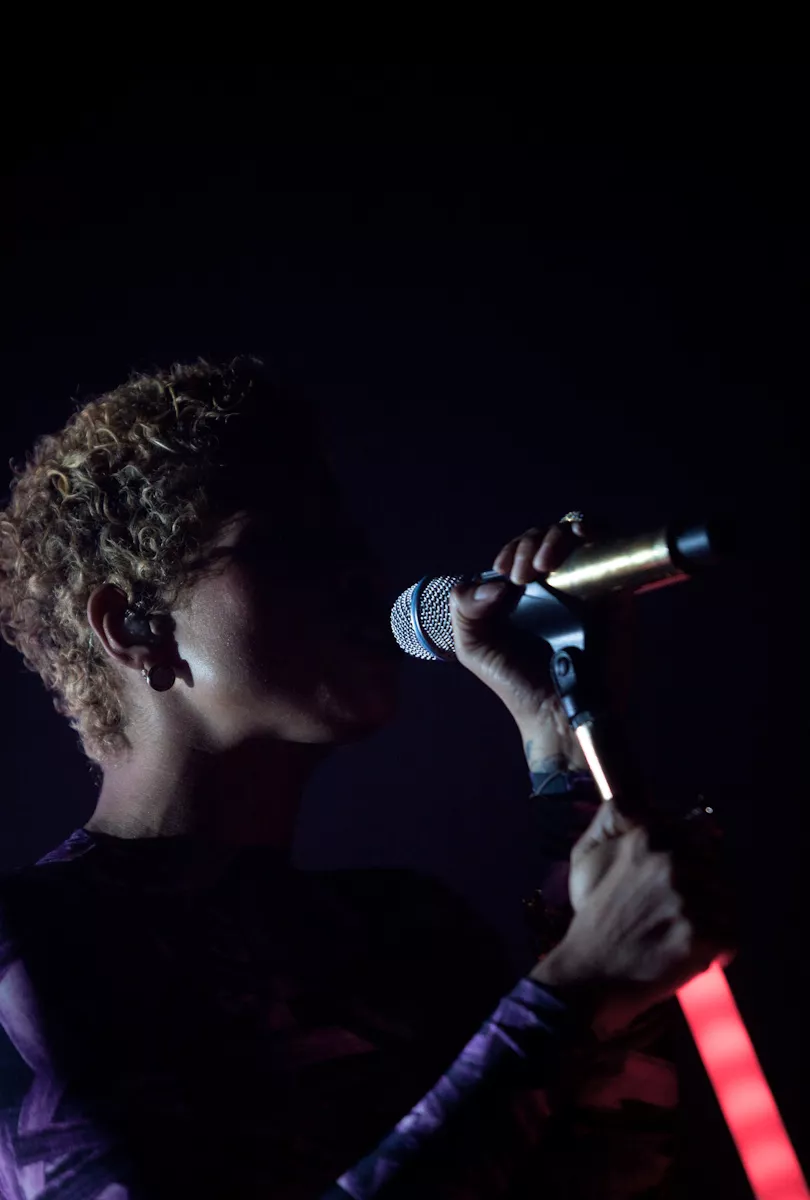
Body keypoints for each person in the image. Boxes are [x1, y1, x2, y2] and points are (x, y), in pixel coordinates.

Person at [0, 357, 723, 1198]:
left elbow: (617, 1176)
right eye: (287, 546)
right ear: (134, 627)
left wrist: (561, 740)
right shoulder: (36, 945)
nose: (360, 577)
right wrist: (570, 995)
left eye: (348, 542)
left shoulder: (409, 929)